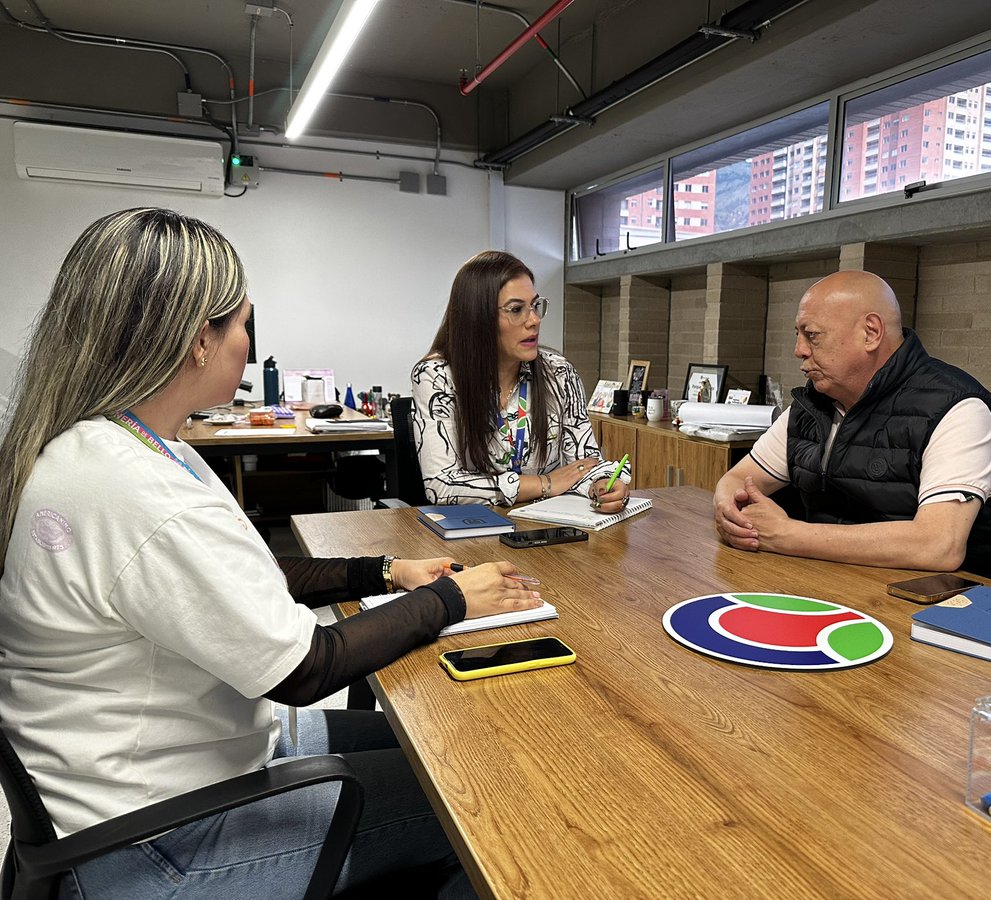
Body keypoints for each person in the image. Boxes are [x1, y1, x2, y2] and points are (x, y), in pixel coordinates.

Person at [0, 208, 543, 898]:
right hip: (158, 844)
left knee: (448, 743)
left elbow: (246, 576)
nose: (248, 345)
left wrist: (386, 571)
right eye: (242, 324)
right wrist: (451, 600)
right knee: (489, 792)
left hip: (172, 774)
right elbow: (307, 669)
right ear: (200, 339)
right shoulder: (134, 491)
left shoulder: (120, 448)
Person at [713, 270, 991, 580]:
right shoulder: (813, 405)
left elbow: (938, 545)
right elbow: (738, 478)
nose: (799, 350)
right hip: (838, 582)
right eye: (798, 334)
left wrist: (788, 534)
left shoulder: (957, 409)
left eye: (812, 335)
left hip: (949, 598)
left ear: (871, 333)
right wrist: (729, 510)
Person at [412, 250, 631, 511]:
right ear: (477, 318)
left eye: (535, 306)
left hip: (550, 524)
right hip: (475, 528)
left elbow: (584, 462)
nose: (534, 320)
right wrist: (545, 483)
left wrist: (602, 484)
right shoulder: (436, 376)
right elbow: (442, 485)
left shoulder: (559, 373)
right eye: (516, 309)